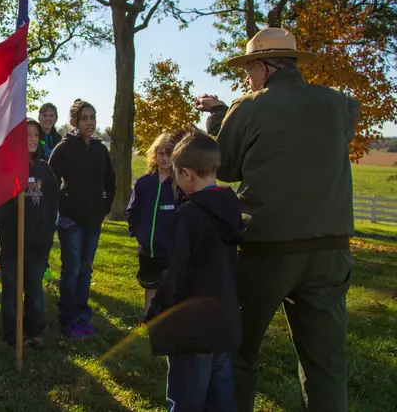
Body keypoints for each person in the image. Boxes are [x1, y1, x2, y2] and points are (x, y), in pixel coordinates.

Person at [196, 27, 359, 412]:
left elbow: (228, 165)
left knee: (238, 350)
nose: (246, 79)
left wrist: (220, 115)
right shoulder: (337, 103)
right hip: (330, 249)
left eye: (249, 70)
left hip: (267, 247)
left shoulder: (249, 106)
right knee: (326, 364)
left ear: (263, 68)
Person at [144, 131, 243, 412]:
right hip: (224, 322)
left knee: (187, 397)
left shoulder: (188, 215)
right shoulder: (231, 208)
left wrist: (157, 312)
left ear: (187, 174)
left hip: (192, 329)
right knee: (221, 396)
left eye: (176, 174)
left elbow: (174, 272)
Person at [48, 99, 116, 340]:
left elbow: (110, 181)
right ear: (74, 121)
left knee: (86, 270)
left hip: (93, 220)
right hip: (70, 221)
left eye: (93, 117)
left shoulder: (100, 149)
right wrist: (60, 212)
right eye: (85, 118)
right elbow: (50, 183)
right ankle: (67, 319)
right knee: (72, 269)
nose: (90, 122)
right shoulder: (64, 148)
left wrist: (103, 208)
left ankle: (82, 316)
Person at [0, 119, 58, 349]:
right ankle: (13, 332)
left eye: (35, 134)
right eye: (26, 134)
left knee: (34, 290)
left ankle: (35, 330)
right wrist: (13, 226)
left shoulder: (44, 169)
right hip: (13, 243)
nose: (31, 139)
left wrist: (47, 233)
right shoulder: (9, 168)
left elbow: (52, 205)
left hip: (37, 244)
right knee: (11, 290)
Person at [126, 133, 181, 316]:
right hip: (147, 249)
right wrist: (138, 232)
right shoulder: (144, 183)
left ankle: (166, 319)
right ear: (154, 156)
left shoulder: (179, 186)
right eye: (161, 154)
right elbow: (132, 210)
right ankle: (148, 317)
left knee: (168, 287)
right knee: (150, 285)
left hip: (170, 250)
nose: (165, 159)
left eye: (169, 154)